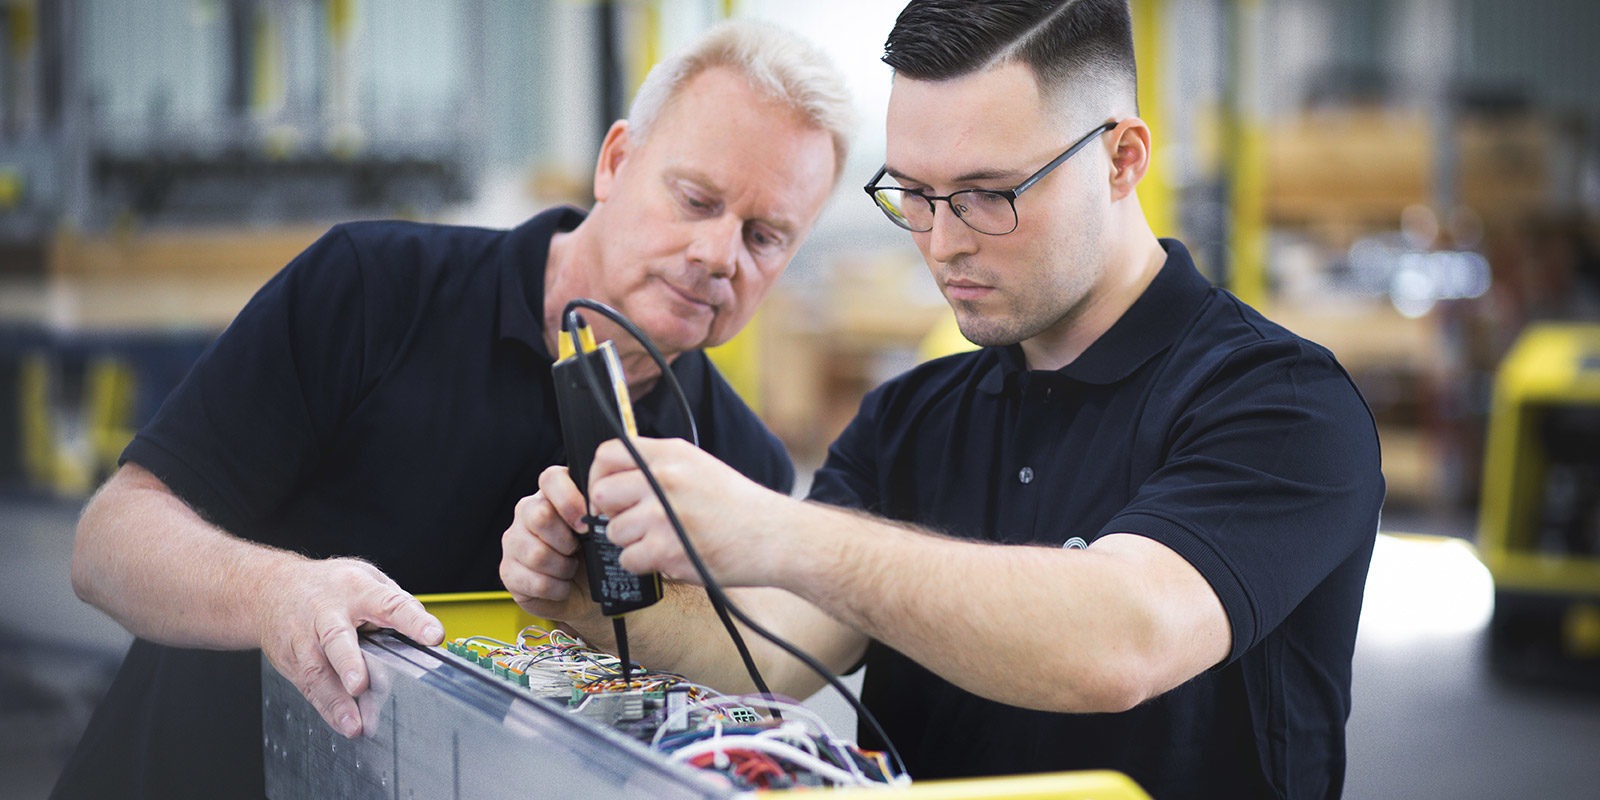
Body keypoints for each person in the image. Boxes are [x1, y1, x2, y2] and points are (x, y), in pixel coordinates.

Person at [500, 1, 1385, 798]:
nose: (944, 243)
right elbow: (765, 652)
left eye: (988, 195)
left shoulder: (1282, 404)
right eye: (915, 196)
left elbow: (1125, 639)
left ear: (1122, 159)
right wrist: (598, 598)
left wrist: (780, 530)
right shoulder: (909, 418)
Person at [57, 19, 854, 800]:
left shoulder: (740, 470)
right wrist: (276, 594)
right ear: (615, 162)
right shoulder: (373, 290)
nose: (719, 255)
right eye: (695, 199)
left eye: (765, 236)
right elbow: (109, 543)